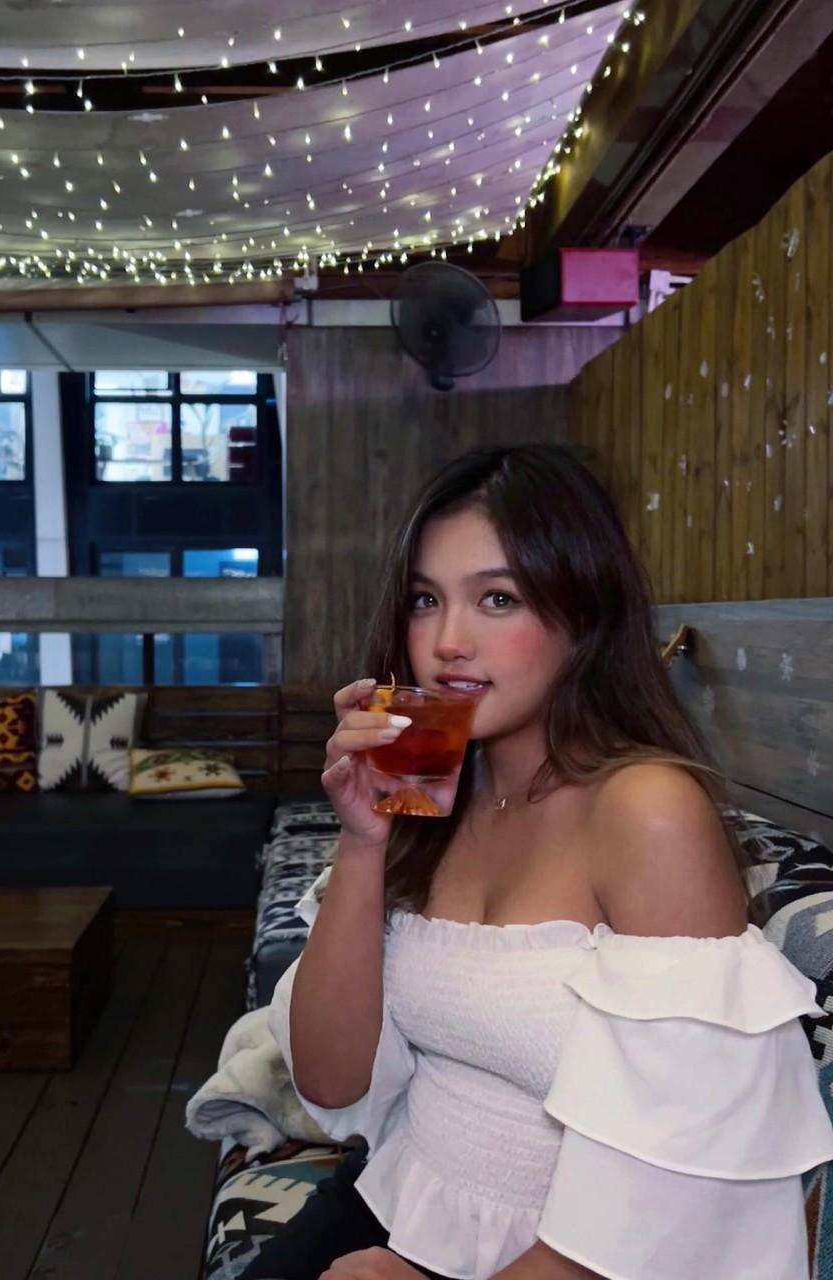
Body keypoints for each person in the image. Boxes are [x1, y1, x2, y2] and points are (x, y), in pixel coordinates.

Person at [249, 444, 833, 1280]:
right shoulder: (440, 787)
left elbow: (677, 1192)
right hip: (397, 1196)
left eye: (498, 598)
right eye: (425, 599)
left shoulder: (648, 811)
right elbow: (330, 1080)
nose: (448, 641)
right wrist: (364, 840)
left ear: (583, 616)